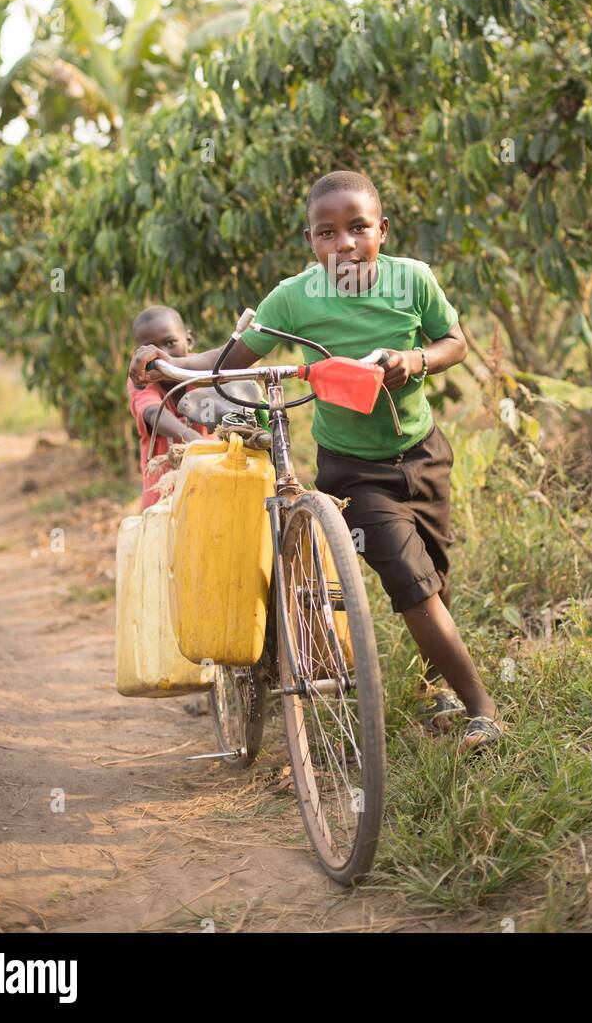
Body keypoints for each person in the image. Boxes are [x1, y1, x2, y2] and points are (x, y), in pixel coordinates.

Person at [129, 173, 502, 754]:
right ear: (310, 240)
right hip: (352, 468)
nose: (344, 244)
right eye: (327, 233)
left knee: (434, 571)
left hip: (424, 451)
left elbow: (453, 341)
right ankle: (484, 711)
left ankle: (439, 690)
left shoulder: (414, 280)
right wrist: (163, 364)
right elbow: (226, 359)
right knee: (411, 582)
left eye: (358, 228)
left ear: (383, 229)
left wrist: (416, 359)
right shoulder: (293, 297)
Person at [127, 305, 208, 510]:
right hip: (162, 491)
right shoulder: (140, 380)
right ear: (138, 355)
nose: (161, 355)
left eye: (170, 343)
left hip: (208, 475)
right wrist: (188, 435)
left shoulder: (202, 371)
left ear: (188, 340)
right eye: (149, 349)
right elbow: (153, 412)